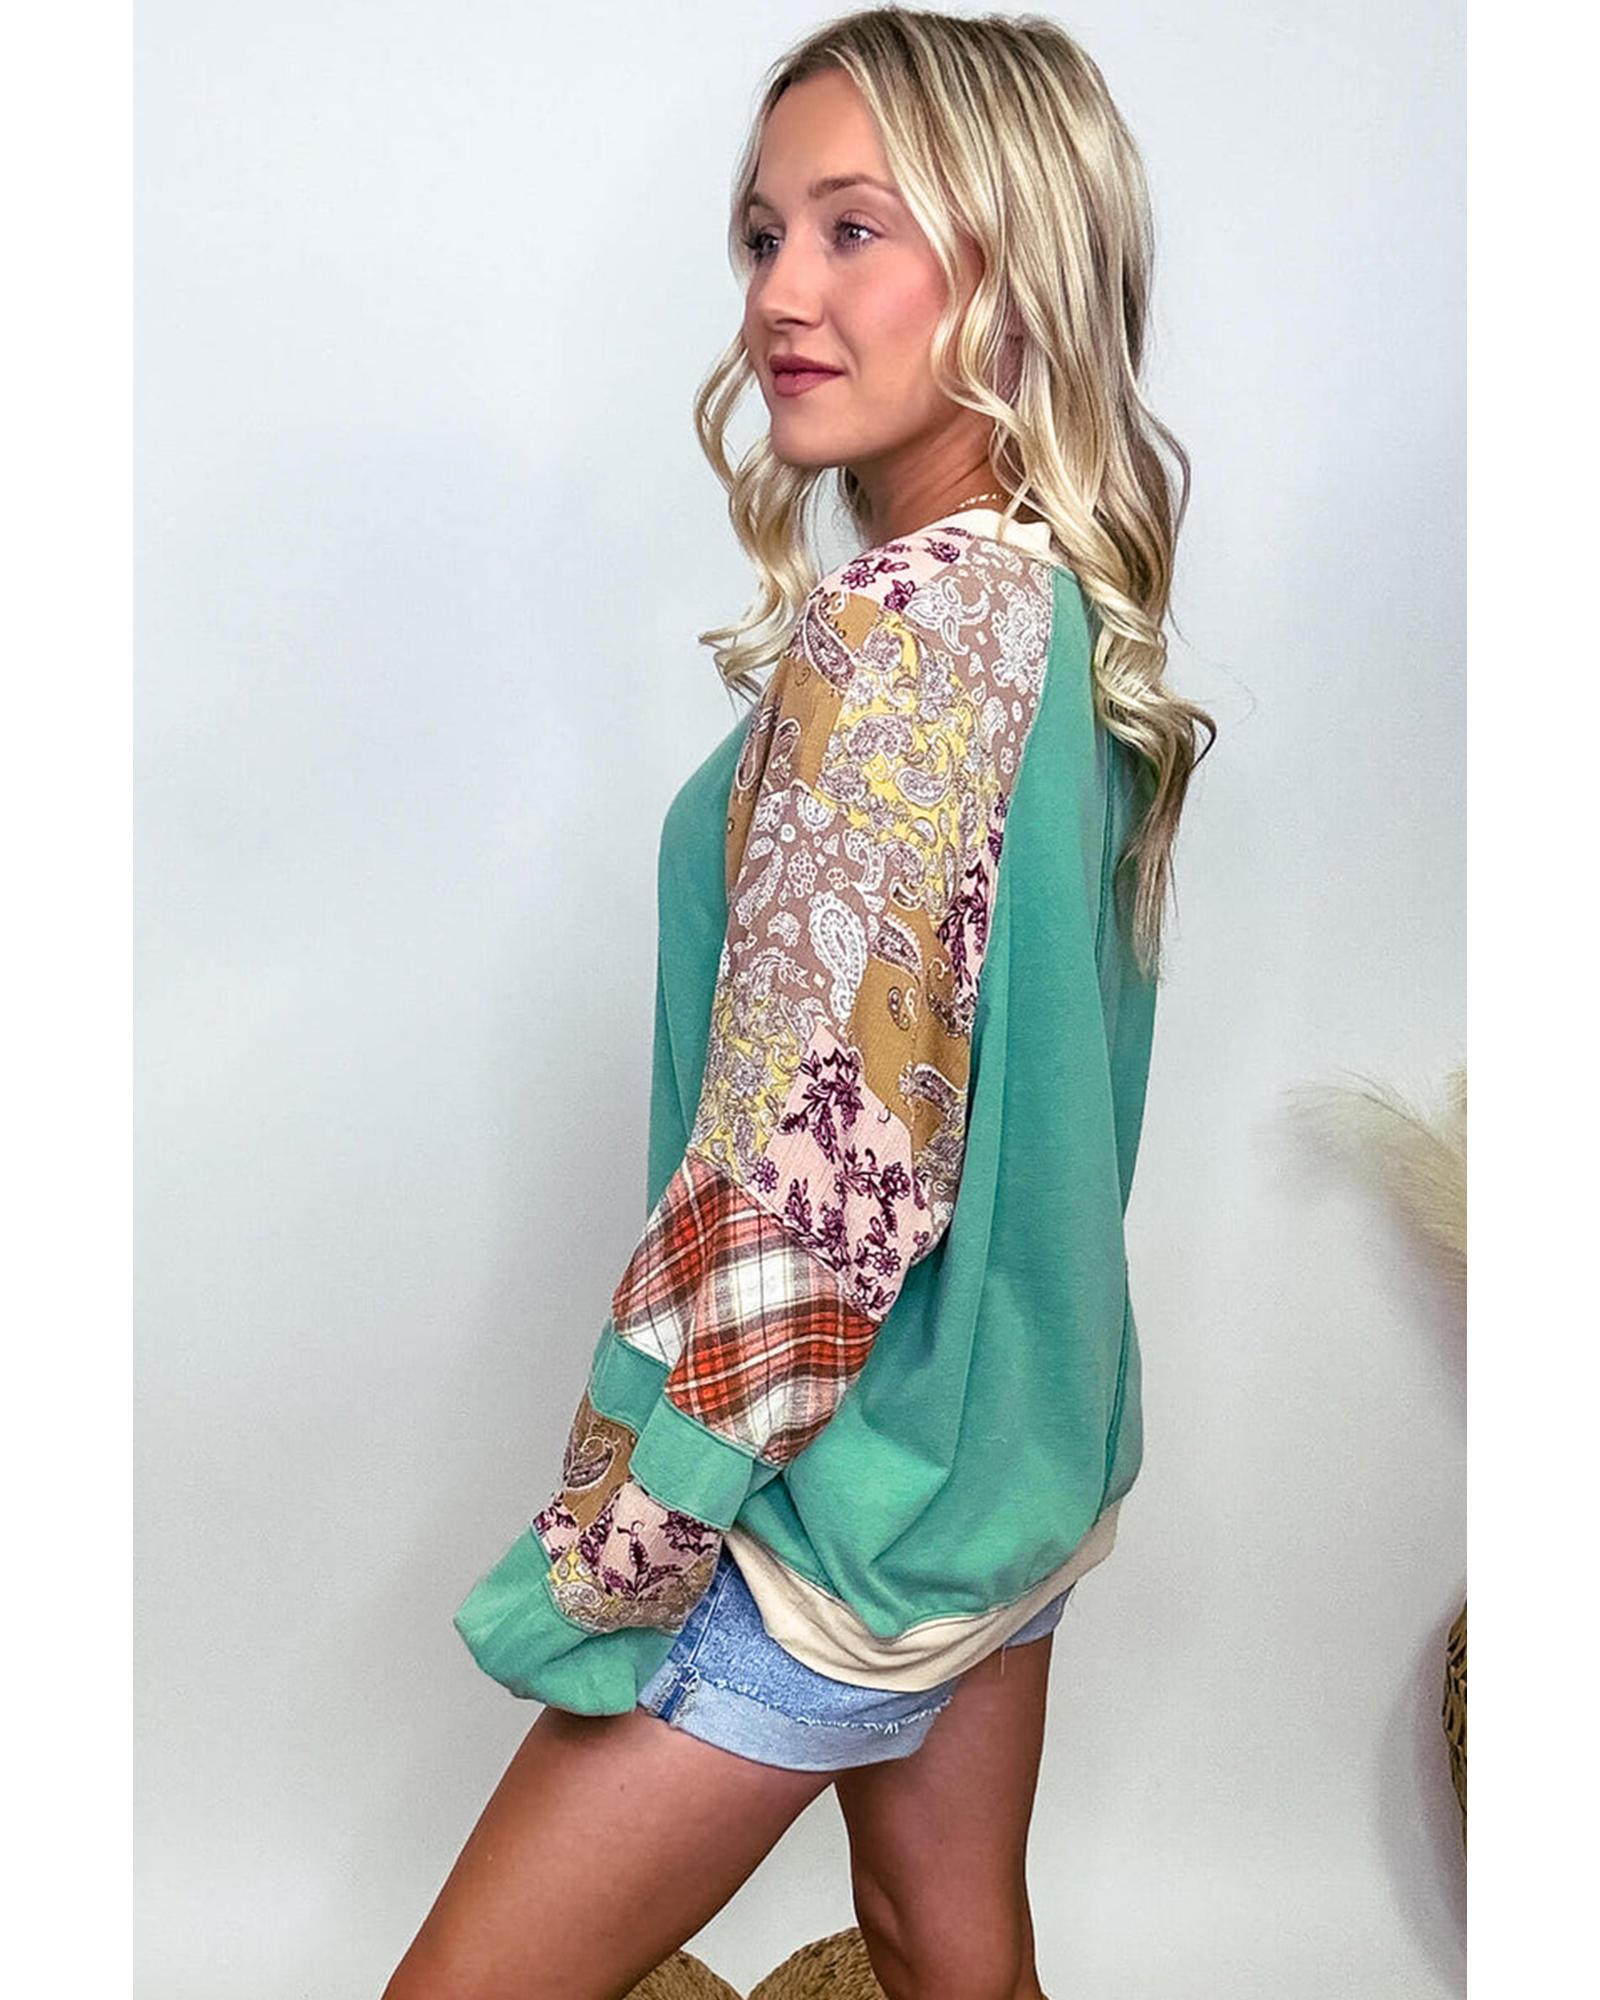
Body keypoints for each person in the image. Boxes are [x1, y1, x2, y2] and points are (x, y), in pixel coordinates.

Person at [383, 10, 1214, 1999]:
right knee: (950, 1950)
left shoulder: (902, 633)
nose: (780, 293)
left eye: (855, 228)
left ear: (1014, 263)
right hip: (1004, 1466)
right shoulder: (1056, 611)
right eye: (763, 235)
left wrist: (638, 1529)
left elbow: (820, 1193)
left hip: (833, 1504)